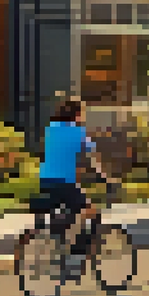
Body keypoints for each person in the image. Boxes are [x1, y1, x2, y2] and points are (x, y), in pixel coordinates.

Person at [40, 98, 117, 253]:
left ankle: (60, 238)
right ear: (76, 115)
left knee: (70, 209)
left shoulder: (50, 129)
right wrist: (103, 177)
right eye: (81, 113)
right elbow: (92, 157)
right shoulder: (78, 132)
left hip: (45, 180)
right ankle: (80, 249)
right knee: (91, 211)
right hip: (65, 182)